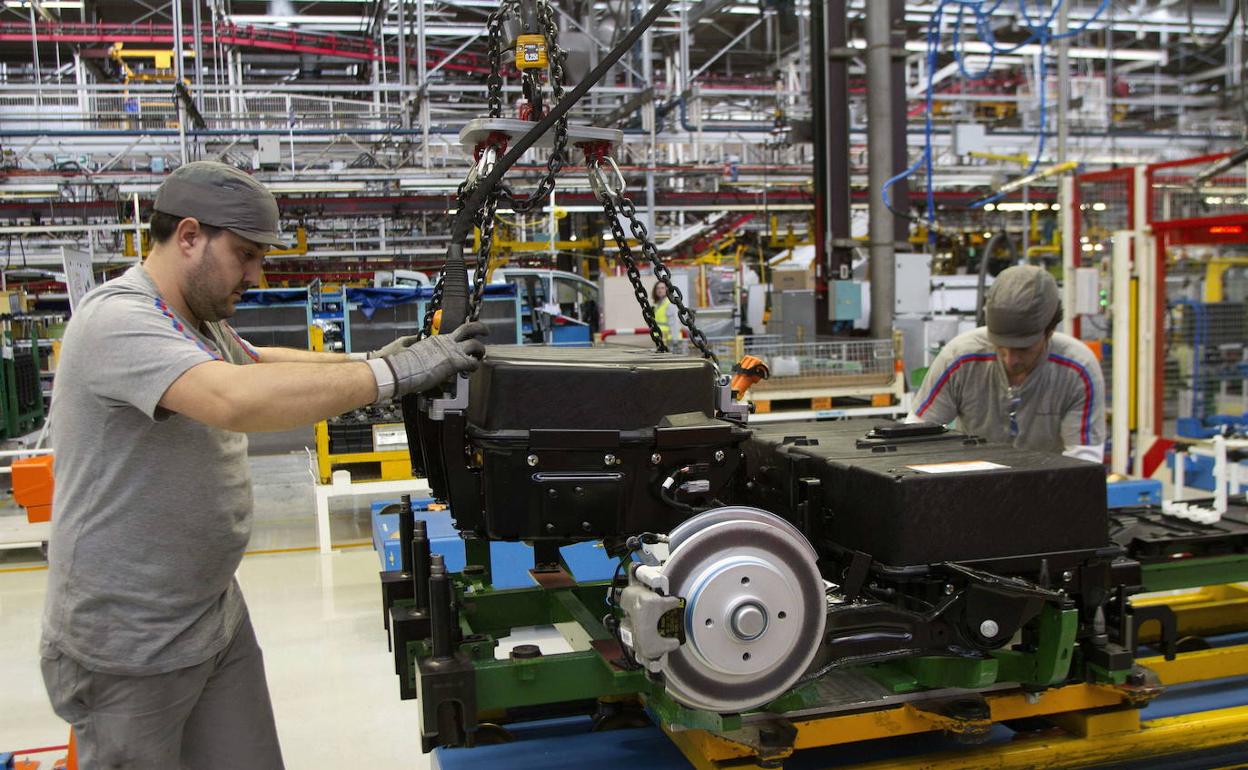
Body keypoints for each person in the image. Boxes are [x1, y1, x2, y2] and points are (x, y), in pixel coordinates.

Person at [39, 161, 488, 769]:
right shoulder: (117, 320)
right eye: (246, 255)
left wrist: (374, 360)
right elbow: (233, 398)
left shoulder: (195, 322)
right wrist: (391, 375)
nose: (256, 275)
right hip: (129, 645)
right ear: (189, 236)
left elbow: (256, 363)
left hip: (210, 613)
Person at [908, 264, 1106, 462]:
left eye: (1023, 349)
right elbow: (915, 438)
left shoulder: (1077, 370)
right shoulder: (959, 359)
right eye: (1001, 347)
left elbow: (1083, 460)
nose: (1010, 360)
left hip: (1051, 479)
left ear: (1049, 331)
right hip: (971, 478)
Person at [652, 280, 675, 346]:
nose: (660, 290)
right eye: (658, 288)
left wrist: (675, 341)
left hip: (670, 340)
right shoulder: (657, 305)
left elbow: (674, 324)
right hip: (660, 339)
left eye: (662, 288)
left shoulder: (669, 304)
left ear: (667, 290)